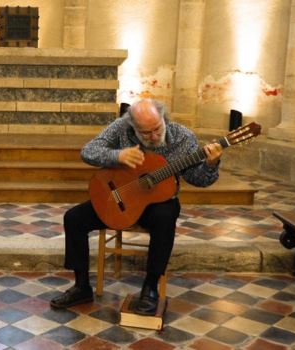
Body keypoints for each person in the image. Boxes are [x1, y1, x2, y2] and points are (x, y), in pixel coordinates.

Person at [50, 99, 222, 315]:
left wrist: (211, 164)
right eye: (145, 132)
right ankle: (81, 287)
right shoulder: (120, 128)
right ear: (133, 126)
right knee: (73, 218)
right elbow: (88, 151)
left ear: (163, 117)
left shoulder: (182, 137)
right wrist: (117, 155)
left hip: (159, 204)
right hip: (122, 198)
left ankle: (150, 288)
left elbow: (199, 179)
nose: (154, 136)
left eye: (157, 128)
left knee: (165, 218)